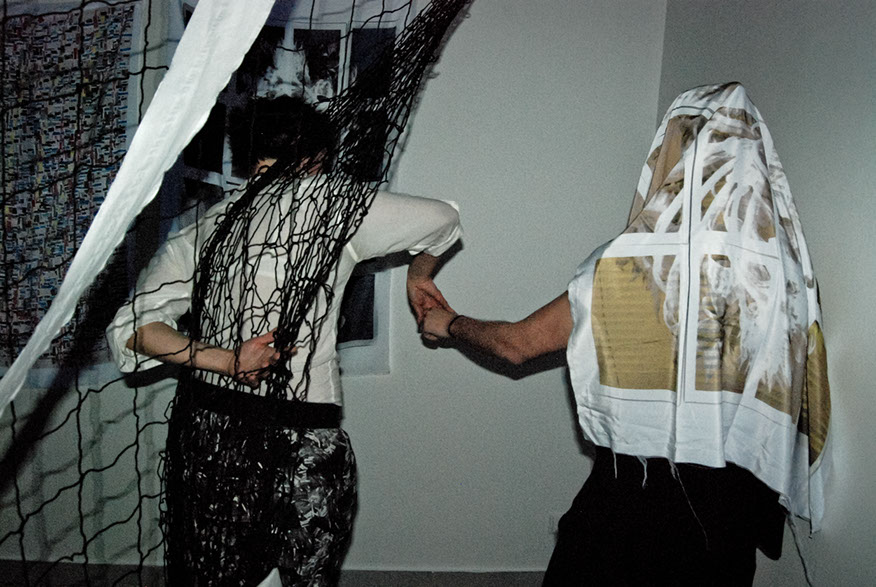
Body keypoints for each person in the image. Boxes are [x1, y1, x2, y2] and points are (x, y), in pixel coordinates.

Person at [422, 83, 830, 586]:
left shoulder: (625, 269)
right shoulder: (789, 277)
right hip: (731, 513)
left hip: (636, 501)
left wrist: (450, 323)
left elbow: (517, 345)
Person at [106, 96, 462, 586]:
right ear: (318, 157)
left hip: (210, 435)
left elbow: (131, 329)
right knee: (302, 577)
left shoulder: (204, 228)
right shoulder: (335, 203)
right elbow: (444, 219)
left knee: (223, 575)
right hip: (301, 439)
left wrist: (227, 361)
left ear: (243, 155)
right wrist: (418, 276)